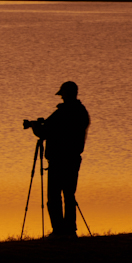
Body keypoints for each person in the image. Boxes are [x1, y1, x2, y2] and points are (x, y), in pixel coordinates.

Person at [35, 81, 90, 239]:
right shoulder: (81, 111)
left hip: (59, 160)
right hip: (73, 159)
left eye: (63, 94)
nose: (62, 98)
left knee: (54, 196)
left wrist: (36, 128)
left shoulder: (64, 112)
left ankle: (59, 230)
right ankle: (70, 230)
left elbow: (45, 132)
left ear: (67, 94)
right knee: (69, 194)